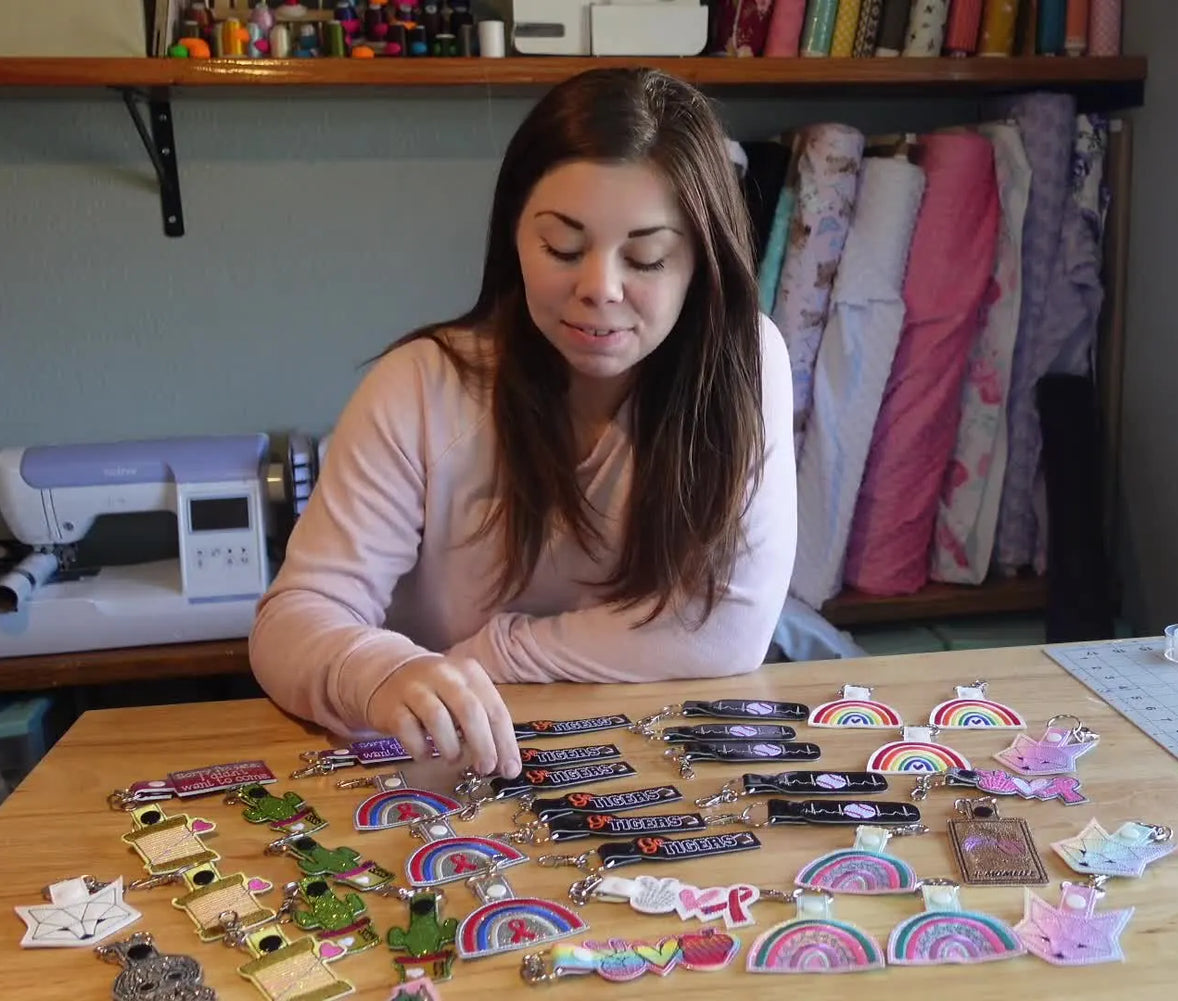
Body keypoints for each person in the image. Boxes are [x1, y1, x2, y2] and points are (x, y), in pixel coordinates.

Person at [249, 67, 796, 784]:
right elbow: (295, 618)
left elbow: (727, 629)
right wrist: (384, 673)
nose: (599, 287)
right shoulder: (420, 386)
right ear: (515, 238)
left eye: (647, 257)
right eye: (563, 248)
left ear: (700, 262)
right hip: (447, 772)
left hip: (655, 772)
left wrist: (489, 654)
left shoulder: (743, 363)